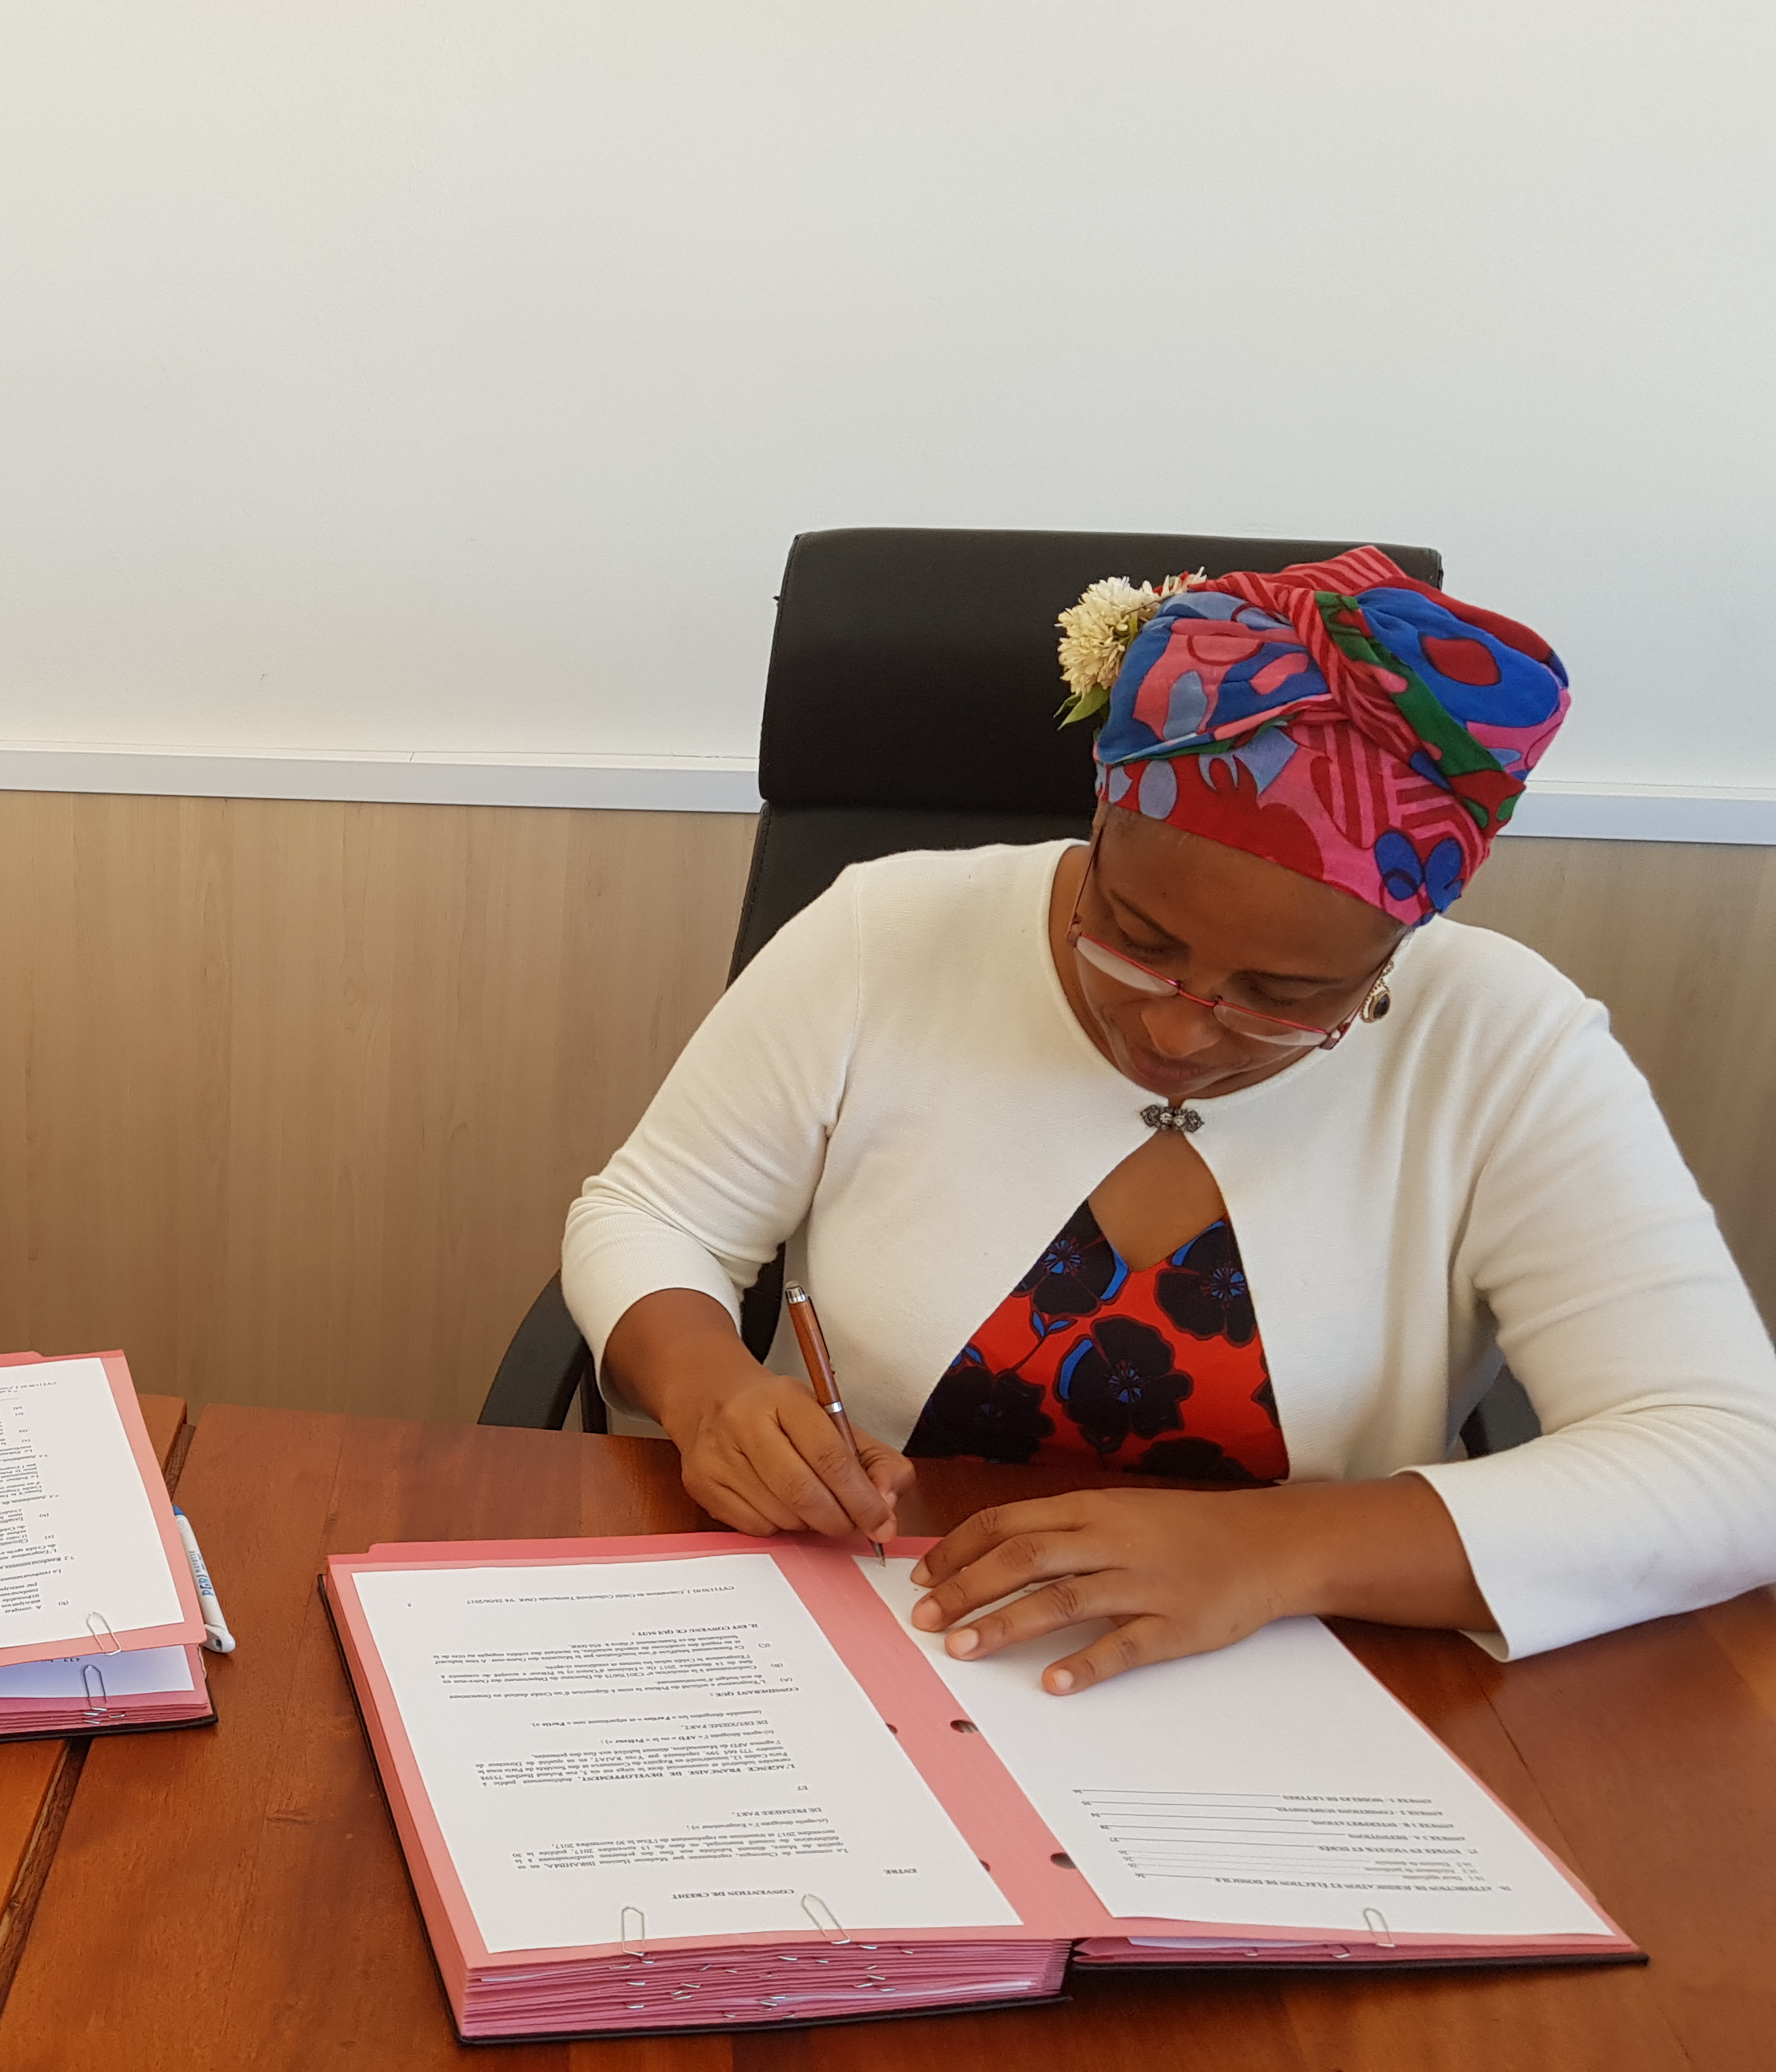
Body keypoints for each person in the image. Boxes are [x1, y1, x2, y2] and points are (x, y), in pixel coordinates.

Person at [565, 546, 1776, 1691]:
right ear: (1100, 828)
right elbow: (653, 1214)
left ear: (1397, 946)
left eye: (1285, 997)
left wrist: (1276, 1551)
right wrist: (709, 1388)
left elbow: (1734, 1462)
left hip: (1294, 1686)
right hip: (868, 1629)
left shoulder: (1505, 1040)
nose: (1182, 1031)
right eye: (1137, 940)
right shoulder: (890, 933)